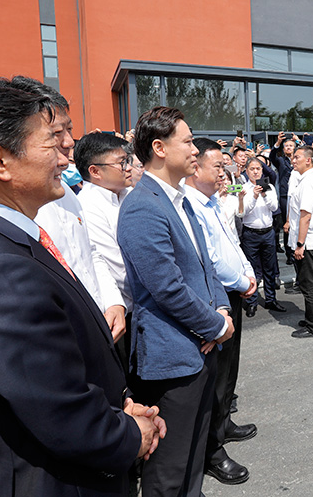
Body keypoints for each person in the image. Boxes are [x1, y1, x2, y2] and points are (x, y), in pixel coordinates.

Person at [0, 83, 164, 496]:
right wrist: (132, 433)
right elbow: (58, 410)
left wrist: (121, 406)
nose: (65, 155)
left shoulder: (7, 241)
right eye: (51, 141)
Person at [117, 106, 234, 497]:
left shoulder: (180, 200)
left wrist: (221, 310)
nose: (195, 149)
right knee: (169, 468)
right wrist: (215, 326)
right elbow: (167, 288)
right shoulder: (142, 207)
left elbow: (205, 266)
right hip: (173, 356)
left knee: (194, 455)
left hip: (201, 346)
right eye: (187, 141)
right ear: (159, 148)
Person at [0, 76, 129, 343]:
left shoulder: (66, 193)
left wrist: (113, 302)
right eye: (56, 133)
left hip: (98, 327)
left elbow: (89, 252)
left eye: (69, 130)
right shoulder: (0, 207)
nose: (69, 142)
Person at [184, 138, 259, 486]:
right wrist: (242, 281)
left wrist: (248, 273)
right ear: (195, 166)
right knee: (215, 377)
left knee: (229, 370)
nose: (223, 174)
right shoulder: (191, 206)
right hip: (218, 296)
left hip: (235, 290)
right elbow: (210, 260)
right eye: (218, 167)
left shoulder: (213, 202)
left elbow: (232, 244)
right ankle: (212, 450)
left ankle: (224, 423)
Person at [74, 132, 135, 315]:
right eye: (122, 163)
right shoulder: (88, 206)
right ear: (95, 171)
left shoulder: (129, 195)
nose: (129, 168)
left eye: (128, 160)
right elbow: (118, 270)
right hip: (126, 310)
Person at [286, 144, 313, 338]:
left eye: (297, 157)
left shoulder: (309, 181)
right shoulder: (306, 179)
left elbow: (305, 216)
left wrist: (300, 244)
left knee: (309, 284)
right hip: (310, 240)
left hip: (308, 242)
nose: (293, 160)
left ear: (308, 160)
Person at [240, 157, 282, 315]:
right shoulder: (243, 188)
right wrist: (254, 196)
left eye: (258, 168)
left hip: (268, 232)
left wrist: (264, 194)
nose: (256, 172)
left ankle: (271, 299)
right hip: (250, 234)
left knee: (270, 268)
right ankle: (252, 301)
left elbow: (274, 207)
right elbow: (243, 212)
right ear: (247, 171)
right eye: (252, 169)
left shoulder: (269, 187)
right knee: (251, 269)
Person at [270, 132, 297, 264]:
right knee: (288, 224)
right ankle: (289, 253)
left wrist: (299, 141)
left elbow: (310, 153)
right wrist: (278, 143)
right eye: (286, 146)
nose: (288, 148)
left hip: (298, 195)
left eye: (291, 146)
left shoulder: (299, 161)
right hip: (285, 196)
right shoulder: (281, 161)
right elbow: (272, 157)